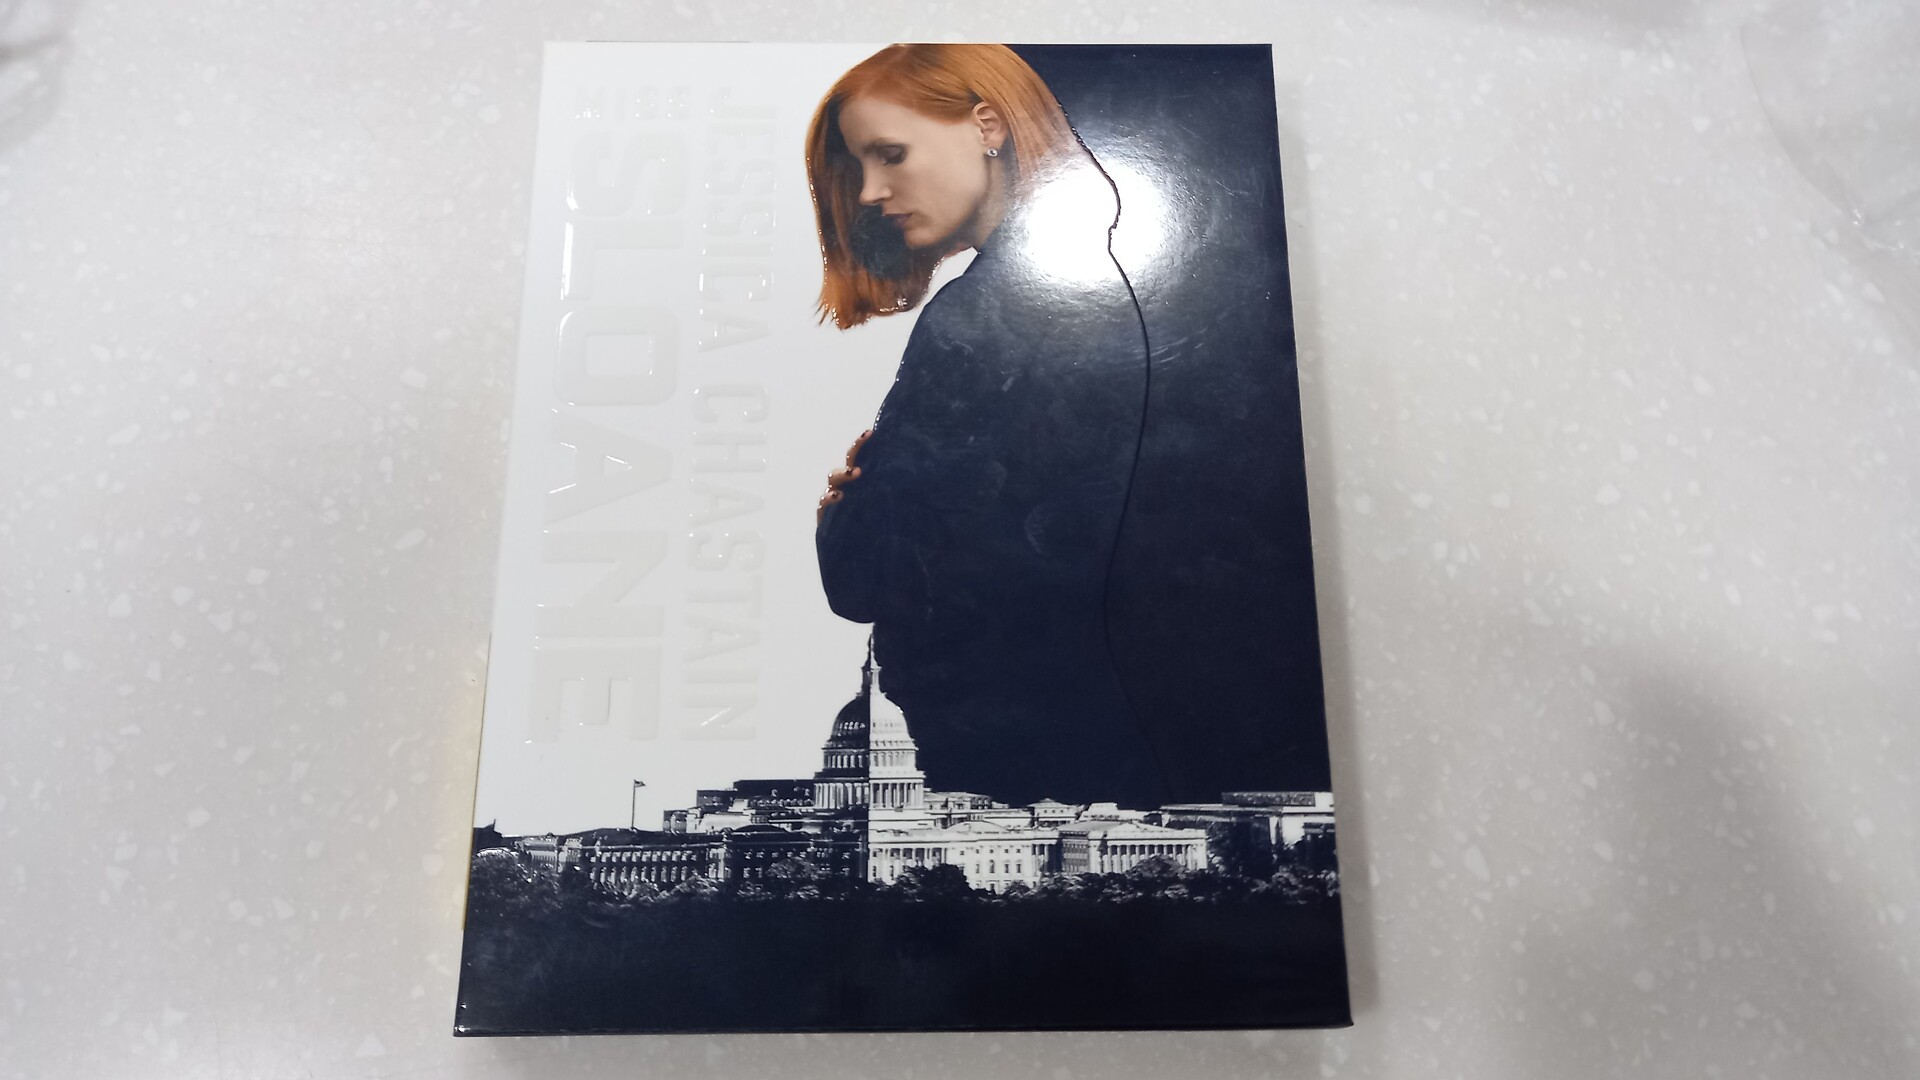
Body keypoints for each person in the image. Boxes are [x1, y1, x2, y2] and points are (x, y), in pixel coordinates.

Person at [804, 44, 1169, 809]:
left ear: (988, 126)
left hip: (1004, 751)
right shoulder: (1121, 277)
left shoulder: (980, 316)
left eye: (890, 154)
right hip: (1104, 721)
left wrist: (840, 512)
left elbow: (864, 579)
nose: (869, 192)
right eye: (857, 167)